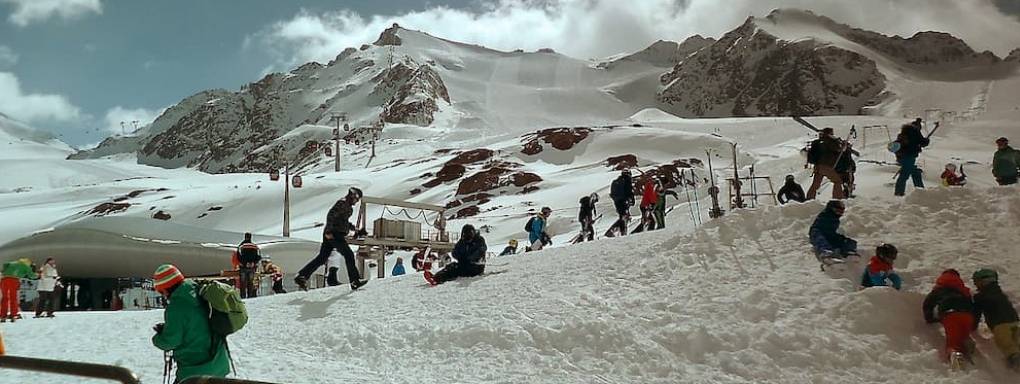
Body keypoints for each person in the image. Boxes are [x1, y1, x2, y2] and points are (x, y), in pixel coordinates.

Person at [150, 264, 230, 382]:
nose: (163, 295)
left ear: (167, 288)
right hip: (219, 362)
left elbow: (170, 341)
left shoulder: (177, 306)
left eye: (161, 291)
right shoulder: (198, 289)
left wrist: (157, 338)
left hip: (195, 371)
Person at [295, 187, 366, 291]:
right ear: (352, 196)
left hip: (332, 233)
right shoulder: (342, 204)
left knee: (322, 257)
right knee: (349, 254)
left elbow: (342, 221)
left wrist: (354, 228)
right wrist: (329, 232)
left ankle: (302, 276)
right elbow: (331, 216)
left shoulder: (346, 205)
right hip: (334, 234)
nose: (356, 202)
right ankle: (355, 281)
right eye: (357, 199)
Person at [922, 269, 976, 367]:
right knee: (964, 333)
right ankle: (966, 342)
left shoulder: (940, 288)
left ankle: (955, 353)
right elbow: (972, 303)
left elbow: (928, 303)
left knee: (953, 341)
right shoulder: (963, 290)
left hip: (950, 314)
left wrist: (929, 317)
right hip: (967, 314)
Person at [971, 268, 1020, 370]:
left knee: (1006, 344)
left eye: (977, 282)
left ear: (983, 282)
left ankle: (1015, 361)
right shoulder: (999, 293)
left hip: (1000, 324)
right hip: (1015, 321)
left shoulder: (980, 296)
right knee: (1016, 341)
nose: (976, 285)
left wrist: (973, 326)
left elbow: (977, 313)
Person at [805, 128, 846, 200]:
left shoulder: (818, 142)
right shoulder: (830, 141)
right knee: (837, 181)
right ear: (829, 133)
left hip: (817, 166)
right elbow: (839, 149)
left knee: (815, 185)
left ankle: (809, 199)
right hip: (825, 166)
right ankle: (837, 199)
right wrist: (842, 144)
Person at [892, 119, 929, 196]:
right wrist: (927, 140)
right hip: (909, 156)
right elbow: (923, 142)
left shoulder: (903, 133)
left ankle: (920, 190)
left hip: (901, 157)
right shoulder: (915, 132)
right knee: (904, 174)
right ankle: (899, 193)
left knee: (915, 172)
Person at [1, 258, 37, 322]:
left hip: (4, 279)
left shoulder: (13, 263)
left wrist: (5, 272)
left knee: (4, 298)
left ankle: (3, 316)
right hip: (14, 280)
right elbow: (32, 276)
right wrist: (37, 275)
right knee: (13, 297)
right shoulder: (26, 266)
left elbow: (5, 264)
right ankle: (13, 315)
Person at [606, 169, 635, 237]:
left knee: (622, 216)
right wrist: (632, 200)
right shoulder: (626, 180)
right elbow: (629, 191)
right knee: (624, 217)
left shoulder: (617, 181)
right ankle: (616, 231)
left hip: (617, 202)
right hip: (624, 201)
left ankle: (620, 231)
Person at [235, 232, 261, 299]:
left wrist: (245, 263)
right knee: (250, 283)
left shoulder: (241, 246)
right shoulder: (255, 246)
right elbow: (259, 256)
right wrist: (253, 263)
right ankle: (250, 297)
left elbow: (238, 256)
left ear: (245, 237)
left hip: (243, 267)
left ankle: (243, 297)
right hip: (252, 268)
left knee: (243, 283)